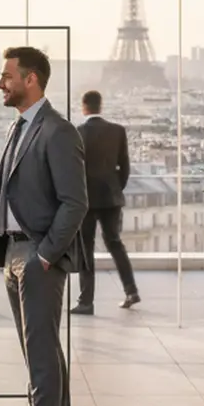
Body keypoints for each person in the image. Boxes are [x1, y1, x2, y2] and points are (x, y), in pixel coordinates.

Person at [0, 46, 87, 406]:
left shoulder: (57, 130)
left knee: (42, 357)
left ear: (31, 79)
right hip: (15, 253)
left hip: (36, 257)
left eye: (7, 76)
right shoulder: (22, 126)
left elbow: (76, 202)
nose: (0, 83)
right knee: (42, 354)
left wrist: (45, 255)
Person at [73, 90, 140, 315]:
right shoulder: (117, 131)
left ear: (84, 107)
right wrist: (115, 188)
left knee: (86, 249)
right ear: (101, 106)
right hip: (111, 197)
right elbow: (125, 167)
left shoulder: (77, 133)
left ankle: (86, 301)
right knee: (115, 244)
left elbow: (72, 168)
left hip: (86, 199)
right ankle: (131, 290)